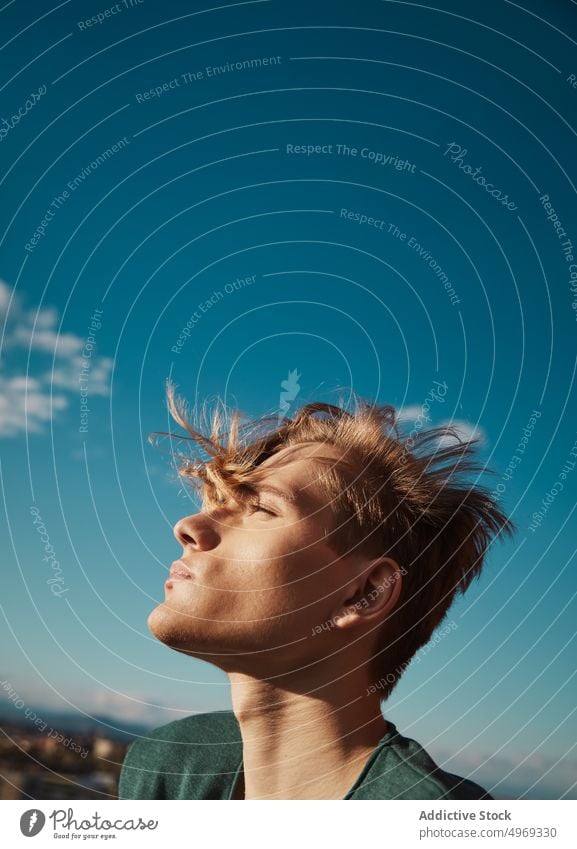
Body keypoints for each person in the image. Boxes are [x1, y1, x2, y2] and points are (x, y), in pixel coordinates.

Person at [119, 386, 514, 800]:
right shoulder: (171, 767)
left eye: (262, 509)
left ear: (366, 592)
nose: (188, 526)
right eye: (218, 503)